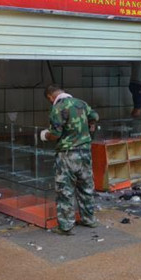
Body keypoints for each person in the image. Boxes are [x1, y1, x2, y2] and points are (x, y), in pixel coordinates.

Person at [40, 85, 100, 235]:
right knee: (86, 186)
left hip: (67, 154)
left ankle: (66, 226)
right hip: (85, 152)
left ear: (50, 97)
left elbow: (55, 134)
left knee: (65, 190)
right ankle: (89, 219)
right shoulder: (81, 103)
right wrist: (90, 126)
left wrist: (45, 135)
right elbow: (95, 116)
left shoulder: (58, 108)